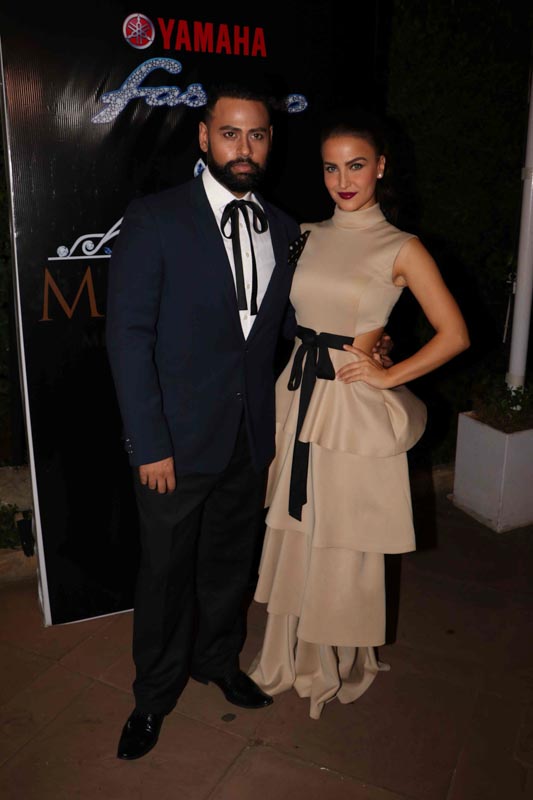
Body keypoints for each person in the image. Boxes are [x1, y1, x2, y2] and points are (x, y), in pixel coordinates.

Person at [248, 107, 470, 719]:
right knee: (295, 528)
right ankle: (285, 653)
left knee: (342, 536)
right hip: (297, 393)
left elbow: (455, 334)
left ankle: (330, 658)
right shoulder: (305, 234)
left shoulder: (402, 247)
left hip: (348, 405)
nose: (343, 180)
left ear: (380, 167)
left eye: (356, 166)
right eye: (331, 168)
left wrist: (387, 373)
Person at [105, 81, 302, 760]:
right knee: (164, 575)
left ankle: (217, 660)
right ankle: (152, 697)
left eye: (257, 135)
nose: (244, 148)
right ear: (203, 136)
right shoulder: (156, 218)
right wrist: (148, 443)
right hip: (173, 445)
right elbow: (128, 338)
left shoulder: (284, 228)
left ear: (270, 142)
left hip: (248, 440)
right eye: (230, 133)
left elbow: (285, 331)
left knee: (228, 565)